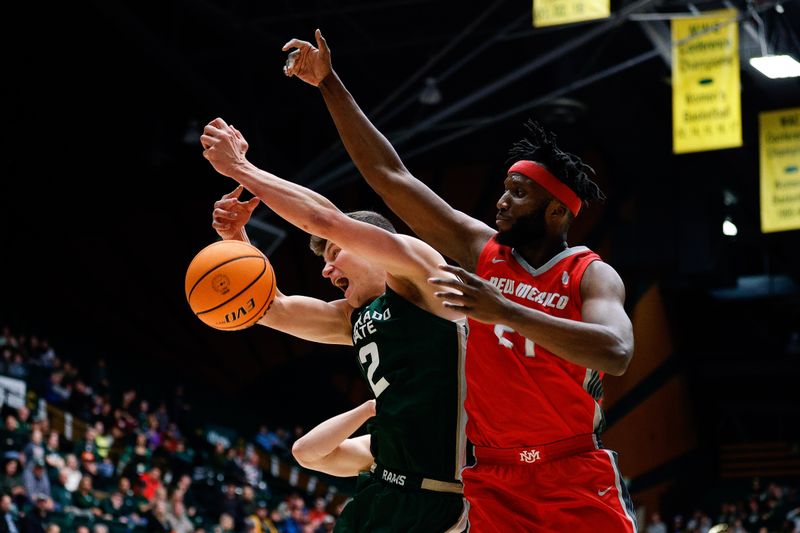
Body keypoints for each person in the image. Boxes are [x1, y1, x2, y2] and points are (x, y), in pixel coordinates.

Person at [282, 30, 637, 533]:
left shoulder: (590, 275)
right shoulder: (480, 248)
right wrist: (329, 83)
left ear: (557, 210)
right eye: (504, 189)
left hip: (570, 468)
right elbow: (390, 174)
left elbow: (616, 352)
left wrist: (505, 311)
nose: (501, 202)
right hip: (492, 477)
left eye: (518, 193)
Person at [201, 118, 469, 532]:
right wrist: (235, 238)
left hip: (438, 496)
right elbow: (270, 307)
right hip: (381, 489)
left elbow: (326, 219)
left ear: (369, 244)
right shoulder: (353, 318)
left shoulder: (426, 281)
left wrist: (242, 169)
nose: (326, 270)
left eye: (334, 253)